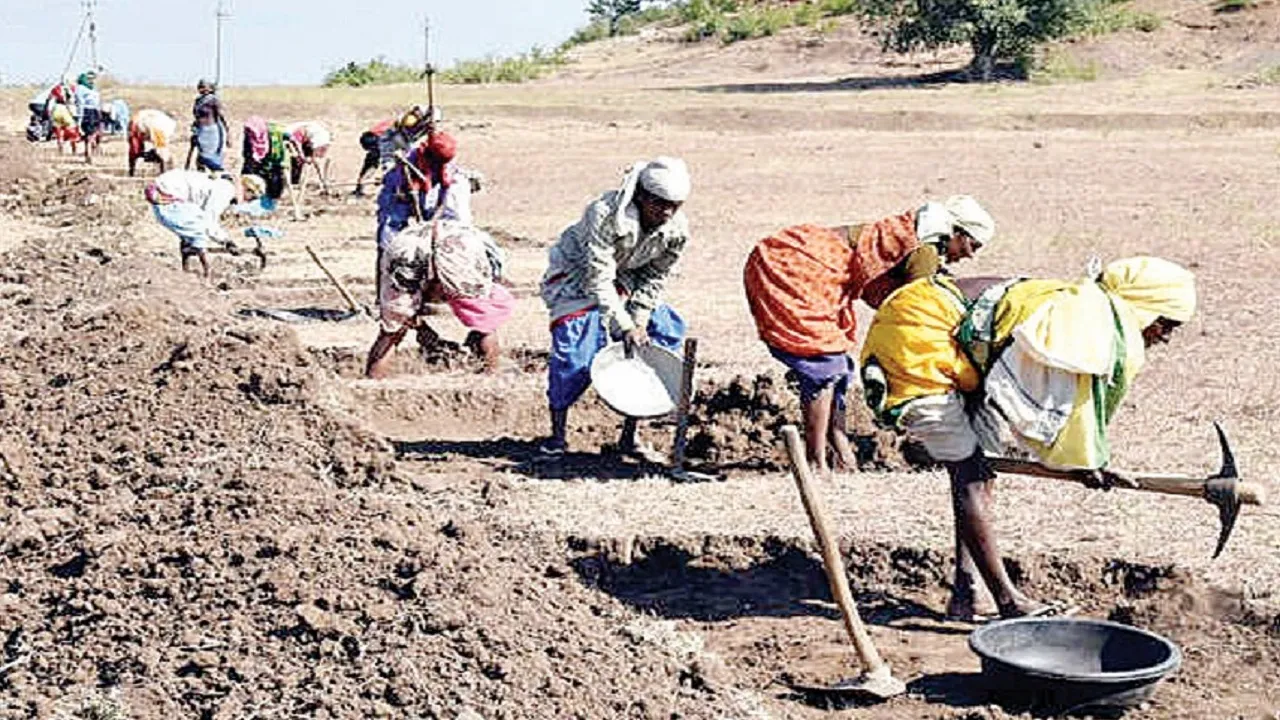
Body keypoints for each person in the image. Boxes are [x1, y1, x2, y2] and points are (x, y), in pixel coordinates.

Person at [859, 257, 1197, 620]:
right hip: (915, 336)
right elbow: (1056, 406)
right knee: (971, 477)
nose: (1165, 336)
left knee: (978, 476)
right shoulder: (1080, 320)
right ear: (1145, 307)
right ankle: (1009, 601)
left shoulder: (1087, 313)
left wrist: (1086, 463)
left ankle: (967, 594)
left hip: (965, 349)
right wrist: (1085, 463)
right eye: (1166, 324)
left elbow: (1070, 408)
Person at [742, 196, 995, 475]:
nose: (970, 255)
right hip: (797, 267)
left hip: (806, 261)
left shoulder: (919, 240)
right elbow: (914, 309)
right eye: (972, 245)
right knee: (823, 365)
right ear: (957, 233)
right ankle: (816, 463)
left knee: (839, 368)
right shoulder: (924, 250)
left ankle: (839, 448)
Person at [538, 157, 692, 459]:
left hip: (627, 283)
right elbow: (598, 276)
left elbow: (655, 277)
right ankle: (557, 437)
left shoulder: (676, 230)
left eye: (674, 206)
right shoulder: (605, 214)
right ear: (642, 197)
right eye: (660, 204)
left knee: (662, 333)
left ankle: (630, 434)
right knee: (576, 350)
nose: (667, 212)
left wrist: (639, 320)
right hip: (576, 280)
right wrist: (624, 325)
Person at [365, 219, 515, 378]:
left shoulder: (407, 240)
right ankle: (491, 375)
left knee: (392, 331)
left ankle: (373, 380)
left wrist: (417, 325)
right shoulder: (477, 244)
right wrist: (424, 330)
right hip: (459, 248)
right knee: (486, 323)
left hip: (405, 247)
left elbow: (404, 310)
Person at [144, 169, 251, 278]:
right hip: (167, 193)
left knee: (189, 234)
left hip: (165, 188)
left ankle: (187, 270)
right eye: (251, 198)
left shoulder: (222, 184)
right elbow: (209, 221)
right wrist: (227, 241)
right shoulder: (226, 191)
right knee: (198, 232)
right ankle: (206, 272)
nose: (248, 202)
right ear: (247, 190)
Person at [241, 117, 293, 203]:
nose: (251, 134)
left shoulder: (273, 137)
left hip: (272, 166)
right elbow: (247, 157)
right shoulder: (249, 139)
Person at [188, 79, 228, 171]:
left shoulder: (213, 100)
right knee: (200, 158)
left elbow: (221, 116)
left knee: (209, 158)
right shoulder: (198, 100)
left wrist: (227, 133)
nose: (201, 89)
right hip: (200, 130)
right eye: (200, 87)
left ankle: (216, 173)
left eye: (204, 87)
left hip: (211, 132)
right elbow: (196, 116)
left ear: (210, 88)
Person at [128, 109, 177, 177]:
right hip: (143, 123)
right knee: (136, 150)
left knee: (161, 152)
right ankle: (163, 172)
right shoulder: (163, 122)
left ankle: (163, 172)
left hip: (149, 124)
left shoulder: (163, 123)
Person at [75, 72, 103, 162]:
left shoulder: (87, 89)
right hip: (91, 111)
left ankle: (89, 151)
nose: (91, 81)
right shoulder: (86, 89)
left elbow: (81, 103)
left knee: (90, 133)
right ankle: (89, 152)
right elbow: (81, 103)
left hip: (91, 111)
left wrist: (79, 119)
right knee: (90, 133)